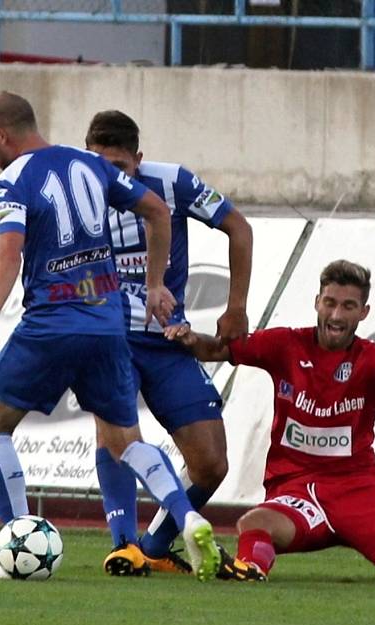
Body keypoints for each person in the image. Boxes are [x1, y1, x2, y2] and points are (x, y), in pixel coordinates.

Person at [0, 91, 220, 582]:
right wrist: (153, 284)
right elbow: (158, 212)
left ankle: (17, 548)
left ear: (2, 135)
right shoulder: (90, 164)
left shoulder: (12, 179)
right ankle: (186, 517)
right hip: (107, 324)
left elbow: (9, 252)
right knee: (125, 440)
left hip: (50, 324)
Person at [165, 259, 375, 583]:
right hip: (297, 489)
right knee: (254, 524)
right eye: (330, 303)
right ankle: (249, 570)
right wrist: (191, 341)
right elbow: (218, 350)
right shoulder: (285, 345)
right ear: (317, 303)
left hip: (359, 491)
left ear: (363, 312)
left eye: (348, 306)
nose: (336, 315)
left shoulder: (372, 358)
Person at [84, 110, 253, 577]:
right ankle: (125, 547)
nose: (112, 177)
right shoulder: (77, 188)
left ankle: (155, 545)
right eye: (101, 166)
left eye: (121, 167)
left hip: (166, 337)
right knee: (115, 435)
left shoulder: (172, 182)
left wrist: (235, 306)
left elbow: (239, 227)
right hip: (106, 336)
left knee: (211, 463)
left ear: (139, 159)